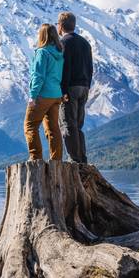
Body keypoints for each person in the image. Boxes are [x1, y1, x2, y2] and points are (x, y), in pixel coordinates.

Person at [24, 23, 64, 161]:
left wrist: (33, 96)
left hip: (43, 94)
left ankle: (35, 158)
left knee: (30, 125)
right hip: (56, 95)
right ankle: (56, 160)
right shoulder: (59, 53)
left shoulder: (42, 52)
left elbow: (38, 76)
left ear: (42, 36)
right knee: (53, 128)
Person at [57, 12, 93, 164]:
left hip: (70, 88)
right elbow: (90, 68)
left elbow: (64, 69)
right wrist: (87, 85)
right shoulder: (85, 43)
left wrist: (63, 91)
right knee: (78, 125)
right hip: (84, 87)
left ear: (60, 25)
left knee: (67, 125)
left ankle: (74, 160)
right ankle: (82, 159)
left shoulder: (64, 43)